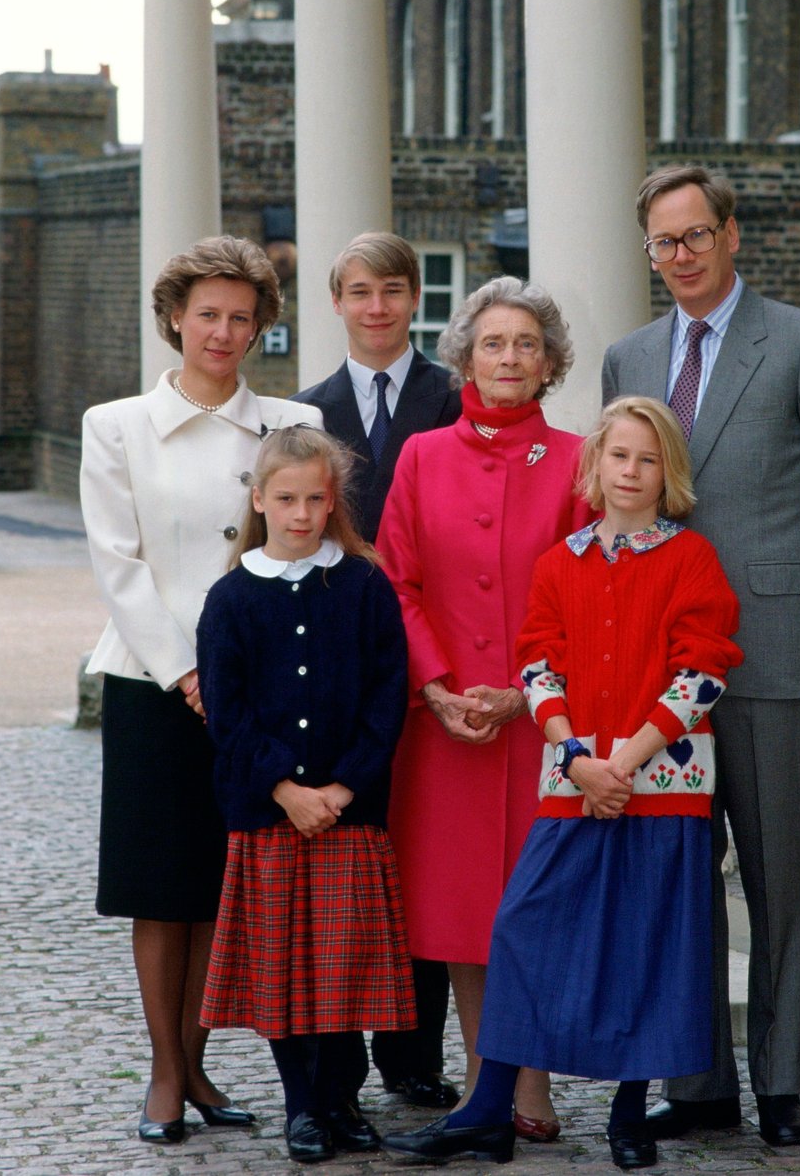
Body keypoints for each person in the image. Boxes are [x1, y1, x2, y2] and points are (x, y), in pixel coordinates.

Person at [602, 164, 800, 1150]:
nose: (678, 256)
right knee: (679, 871)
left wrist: (793, 598)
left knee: (775, 870)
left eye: (693, 235)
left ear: (731, 235)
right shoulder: (627, 355)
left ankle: (777, 1081)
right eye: (661, 242)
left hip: (768, 653)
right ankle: (697, 1082)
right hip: (652, 670)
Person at [383, 396, 742, 1171]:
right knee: (520, 930)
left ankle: (627, 1109)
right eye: (619, 456)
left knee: (645, 943)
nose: (632, 472)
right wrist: (578, 758)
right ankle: (487, 1107)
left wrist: (628, 761)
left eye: (648, 460)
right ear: (596, 466)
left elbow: (702, 671)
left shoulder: (690, 560)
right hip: (572, 781)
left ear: (668, 474)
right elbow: (539, 666)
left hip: (662, 787)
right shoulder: (560, 561)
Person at [80, 235, 322, 1144]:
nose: (223, 330)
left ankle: (203, 1062)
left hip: (260, 691)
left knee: (228, 886)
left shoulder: (291, 421)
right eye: (207, 313)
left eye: (241, 316)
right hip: (155, 683)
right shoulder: (115, 425)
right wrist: (188, 671)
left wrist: (235, 680)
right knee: (160, 886)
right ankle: (165, 1074)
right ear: (175, 317)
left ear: (261, 326)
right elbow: (117, 561)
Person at [377, 275, 589, 1143]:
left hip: (541, 721)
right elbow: (398, 579)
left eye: (526, 345)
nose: (509, 358)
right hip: (449, 724)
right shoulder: (422, 455)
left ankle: (529, 1083)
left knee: (532, 907)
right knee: (466, 912)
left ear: (549, 365)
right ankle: (479, 1085)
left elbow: (589, 589)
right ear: (465, 354)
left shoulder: (579, 457)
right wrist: (433, 686)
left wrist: (527, 694)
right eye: (493, 343)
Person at [196, 425, 415, 1164]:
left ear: (333, 501)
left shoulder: (361, 583)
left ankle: (342, 1098)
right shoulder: (229, 598)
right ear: (258, 499)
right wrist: (286, 788)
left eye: (315, 498)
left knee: (345, 967)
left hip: (350, 812)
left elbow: (388, 695)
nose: (300, 512)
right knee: (288, 973)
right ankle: (302, 1105)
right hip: (268, 814)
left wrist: (343, 785)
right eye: (285, 498)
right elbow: (227, 714)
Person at [292, 232, 461, 1110]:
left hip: (436, 654)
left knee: (419, 858)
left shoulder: (455, 397)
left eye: (393, 289)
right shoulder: (307, 411)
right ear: (338, 302)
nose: (377, 306)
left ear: (414, 296)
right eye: (359, 290)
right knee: (348, 862)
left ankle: (414, 1052)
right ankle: (338, 1062)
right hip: (340, 655)